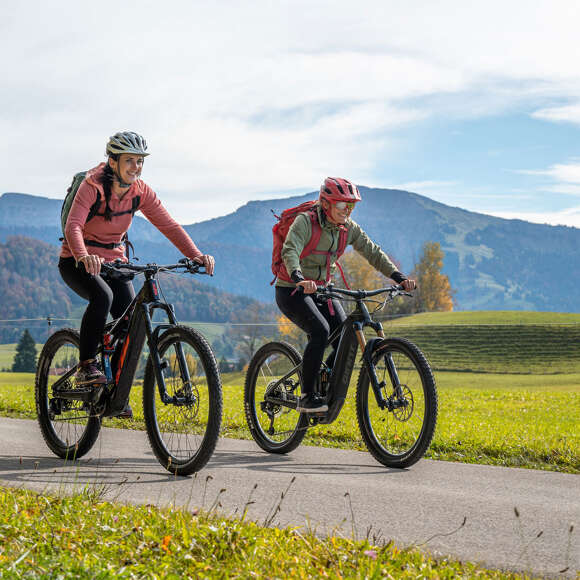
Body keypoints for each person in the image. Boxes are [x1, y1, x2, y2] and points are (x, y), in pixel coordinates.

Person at [59, 131, 215, 417]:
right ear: (113, 161)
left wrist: (195, 254)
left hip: (116, 263)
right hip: (78, 261)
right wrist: (83, 255)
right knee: (102, 297)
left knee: (130, 320)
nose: (136, 167)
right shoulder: (93, 184)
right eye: (130, 161)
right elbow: (73, 227)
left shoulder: (140, 191)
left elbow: (168, 225)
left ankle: (115, 394)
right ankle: (86, 367)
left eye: (140, 161)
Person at [275, 177, 416, 413]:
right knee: (320, 332)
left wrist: (397, 276)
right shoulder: (305, 222)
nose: (347, 211)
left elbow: (372, 251)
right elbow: (290, 250)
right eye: (342, 206)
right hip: (293, 288)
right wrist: (299, 277)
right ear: (326, 203)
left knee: (344, 339)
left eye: (351, 206)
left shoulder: (347, 228)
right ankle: (308, 396)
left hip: (324, 289)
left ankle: (322, 378)